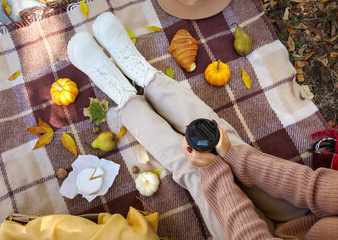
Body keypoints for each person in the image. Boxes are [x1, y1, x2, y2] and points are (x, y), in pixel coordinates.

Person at [68, 12, 338, 239]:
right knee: (219, 136)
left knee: (191, 169)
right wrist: (230, 154)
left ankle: (123, 96)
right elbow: (312, 187)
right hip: (309, 216)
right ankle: (145, 76)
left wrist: (211, 171)